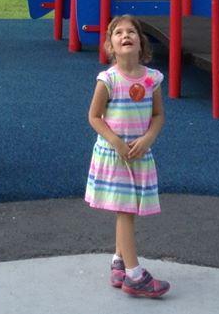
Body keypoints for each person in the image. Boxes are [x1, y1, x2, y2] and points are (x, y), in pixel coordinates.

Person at [85, 15, 169, 299]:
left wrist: (147, 139)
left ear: (140, 42)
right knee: (126, 212)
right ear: (111, 45)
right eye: (118, 33)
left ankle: (119, 262)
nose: (125, 36)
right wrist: (117, 143)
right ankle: (134, 275)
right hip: (115, 155)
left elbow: (158, 115)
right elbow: (94, 117)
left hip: (139, 154)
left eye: (131, 31)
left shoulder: (152, 79)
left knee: (127, 210)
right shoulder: (108, 80)